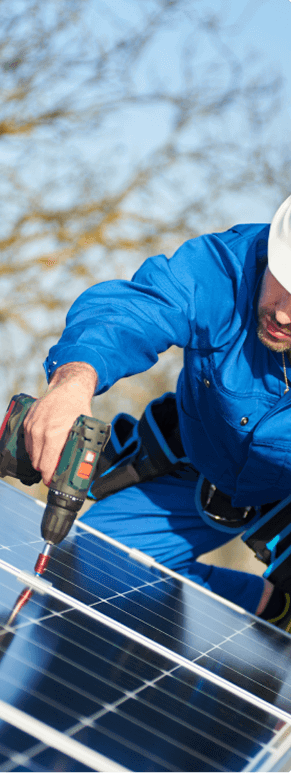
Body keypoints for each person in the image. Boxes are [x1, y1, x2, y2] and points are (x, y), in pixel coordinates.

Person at [24, 196, 291, 631]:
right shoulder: (230, 268)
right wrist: (74, 381)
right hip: (202, 460)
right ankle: (268, 605)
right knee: (93, 562)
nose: (282, 311)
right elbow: (137, 307)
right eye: (282, 278)